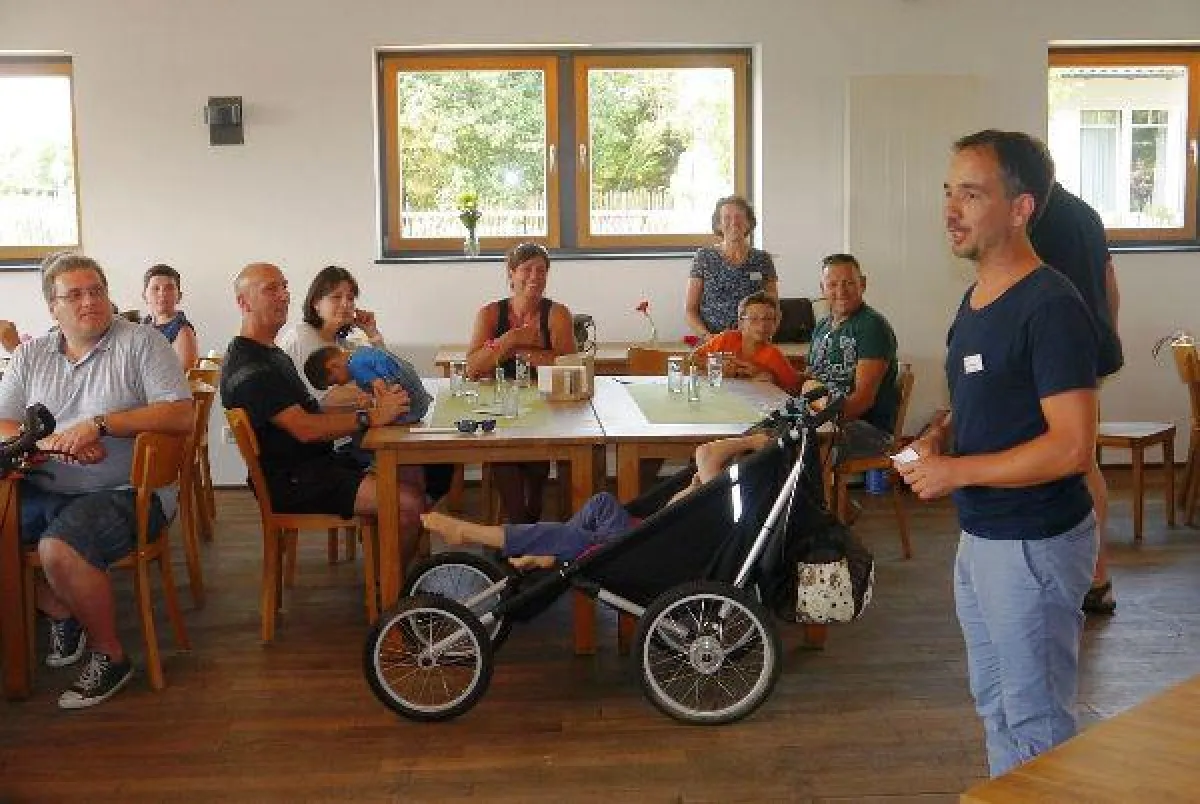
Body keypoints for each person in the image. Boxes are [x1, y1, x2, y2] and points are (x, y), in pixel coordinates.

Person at [897, 130, 1100, 777]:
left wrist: (955, 471)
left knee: (1035, 721)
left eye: (972, 194)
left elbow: (1073, 446)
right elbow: (988, 398)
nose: (950, 210)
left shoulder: (1051, 306)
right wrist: (941, 435)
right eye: (948, 192)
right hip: (984, 535)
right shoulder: (977, 298)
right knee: (996, 706)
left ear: (1021, 208)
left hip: (1033, 543)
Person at [0, 253, 193, 709]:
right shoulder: (30, 355)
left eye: (97, 291)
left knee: (59, 547)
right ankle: (59, 607)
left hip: (128, 492)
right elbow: (3, 423)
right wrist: (54, 444)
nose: (89, 301)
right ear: (53, 307)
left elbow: (180, 414)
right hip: (46, 484)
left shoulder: (142, 343)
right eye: (75, 294)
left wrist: (101, 426)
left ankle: (111, 655)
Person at [220, 263, 429, 557]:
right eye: (271, 289)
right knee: (409, 504)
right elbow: (304, 428)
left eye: (284, 287)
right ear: (243, 303)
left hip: (315, 465)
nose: (284, 295)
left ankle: (392, 568)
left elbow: (314, 410)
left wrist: (368, 407)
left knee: (410, 470)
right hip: (295, 481)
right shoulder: (251, 368)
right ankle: (391, 583)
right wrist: (371, 416)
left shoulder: (271, 353)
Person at [421, 431, 772, 569]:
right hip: (643, 533)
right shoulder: (724, 495)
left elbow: (706, 452)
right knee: (603, 502)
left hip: (645, 550)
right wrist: (693, 487)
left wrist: (753, 441)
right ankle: (549, 553)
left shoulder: (730, 498)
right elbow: (697, 478)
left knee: (570, 538)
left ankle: (469, 533)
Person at [1030, 181, 1123, 616]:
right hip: (1088, 346)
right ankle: (1093, 577)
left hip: (1061, 352)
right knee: (1082, 459)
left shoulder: (1036, 215)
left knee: (1077, 460)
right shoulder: (1085, 212)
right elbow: (1109, 283)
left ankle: (1093, 578)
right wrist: (1106, 339)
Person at [464, 242, 575, 523]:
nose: (534, 276)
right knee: (502, 448)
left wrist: (517, 352)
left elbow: (569, 366)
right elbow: (473, 369)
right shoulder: (490, 314)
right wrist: (512, 339)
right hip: (499, 405)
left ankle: (531, 508)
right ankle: (521, 523)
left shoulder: (557, 314)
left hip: (545, 404)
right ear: (511, 273)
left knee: (536, 445)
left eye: (541, 270)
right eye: (527, 269)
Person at [806, 254, 900, 458]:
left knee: (797, 443)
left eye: (848, 283)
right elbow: (809, 380)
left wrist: (818, 415)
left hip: (867, 430)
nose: (841, 292)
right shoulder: (822, 326)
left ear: (862, 284)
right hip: (825, 418)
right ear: (822, 288)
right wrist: (770, 373)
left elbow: (862, 400)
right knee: (771, 433)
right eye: (832, 284)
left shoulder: (872, 326)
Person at [277, 265, 385, 409]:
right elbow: (326, 400)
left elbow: (387, 370)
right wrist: (379, 397)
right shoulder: (302, 335)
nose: (345, 304)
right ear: (316, 303)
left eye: (350, 298)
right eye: (336, 297)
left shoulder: (343, 344)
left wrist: (372, 333)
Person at [685, 195, 778, 340]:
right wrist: (707, 337)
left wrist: (764, 338)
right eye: (727, 218)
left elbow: (775, 308)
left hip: (753, 342)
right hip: (713, 342)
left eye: (739, 217)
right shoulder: (704, 257)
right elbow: (690, 310)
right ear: (718, 225)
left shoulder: (762, 259)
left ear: (748, 223)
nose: (734, 222)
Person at [693, 292, 799, 393]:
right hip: (718, 394)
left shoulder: (774, 356)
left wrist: (769, 378)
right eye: (754, 318)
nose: (762, 325)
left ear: (775, 324)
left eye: (768, 319)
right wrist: (715, 365)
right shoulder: (726, 339)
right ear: (741, 322)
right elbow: (692, 359)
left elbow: (795, 388)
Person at [304, 344, 432, 425]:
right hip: (416, 390)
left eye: (335, 381)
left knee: (371, 431)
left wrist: (380, 412)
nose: (340, 384)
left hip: (412, 406)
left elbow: (381, 386)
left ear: (333, 366)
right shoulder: (361, 351)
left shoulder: (355, 366)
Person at [142, 263, 199, 370]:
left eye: (169, 288)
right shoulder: (143, 325)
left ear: (179, 296)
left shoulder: (182, 331)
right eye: (156, 288)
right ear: (144, 296)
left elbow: (182, 376)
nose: (162, 293)